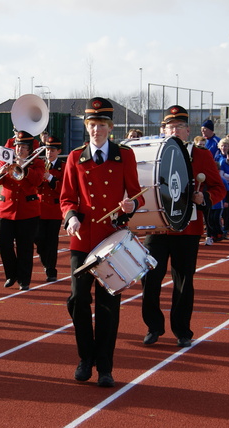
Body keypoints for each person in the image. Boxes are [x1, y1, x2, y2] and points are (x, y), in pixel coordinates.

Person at [60, 97, 144, 388]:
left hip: (111, 240)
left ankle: (105, 367)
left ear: (110, 127)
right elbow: (67, 197)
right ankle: (86, 357)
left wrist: (130, 206)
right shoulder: (75, 157)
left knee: (109, 305)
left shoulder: (124, 156)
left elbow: (137, 194)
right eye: (92, 124)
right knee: (77, 300)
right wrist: (70, 217)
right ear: (87, 126)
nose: (96, 130)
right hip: (83, 241)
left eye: (102, 125)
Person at [141, 105, 226, 348]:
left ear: (188, 130)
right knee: (149, 277)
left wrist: (205, 198)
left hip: (188, 229)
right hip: (158, 228)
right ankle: (154, 326)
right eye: (170, 126)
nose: (175, 130)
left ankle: (182, 330)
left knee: (184, 281)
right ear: (163, 129)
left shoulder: (201, 155)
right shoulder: (153, 153)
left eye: (180, 126)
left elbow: (218, 188)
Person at [0, 131, 44, 291]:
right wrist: (0, 173)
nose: (19, 150)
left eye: (23, 147)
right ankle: (11, 274)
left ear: (29, 150)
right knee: (1, 243)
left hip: (27, 211)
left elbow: (37, 181)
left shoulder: (36, 163)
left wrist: (23, 168)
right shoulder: (6, 161)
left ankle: (24, 279)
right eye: (17, 146)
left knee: (25, 247)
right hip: (5, 209)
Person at [35, 135, 65, 282]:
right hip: (40, 208)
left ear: (58, 151)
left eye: (52, 150)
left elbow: (65, 189)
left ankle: (51, 270)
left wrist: (51, 178)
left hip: (54, 209)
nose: (49, 152)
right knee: (39, 239)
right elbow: (34, 186)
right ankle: (46, 262)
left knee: (52, 241)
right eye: (47, 149)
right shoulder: (40, 164)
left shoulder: (63, 166)